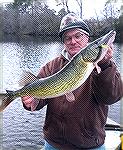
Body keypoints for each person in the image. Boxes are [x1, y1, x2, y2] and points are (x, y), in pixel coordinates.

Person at [22, 13, 123, 150]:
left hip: (89, 145)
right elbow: (41, 97)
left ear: (87, 38)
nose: (73, 41)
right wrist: (30, 101)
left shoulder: (104, 66)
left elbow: (111, 97)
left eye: (78, 36)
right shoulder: (52, 66)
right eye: (67, 38)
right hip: (53, 143)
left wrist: (105, 65)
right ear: (63, 42)